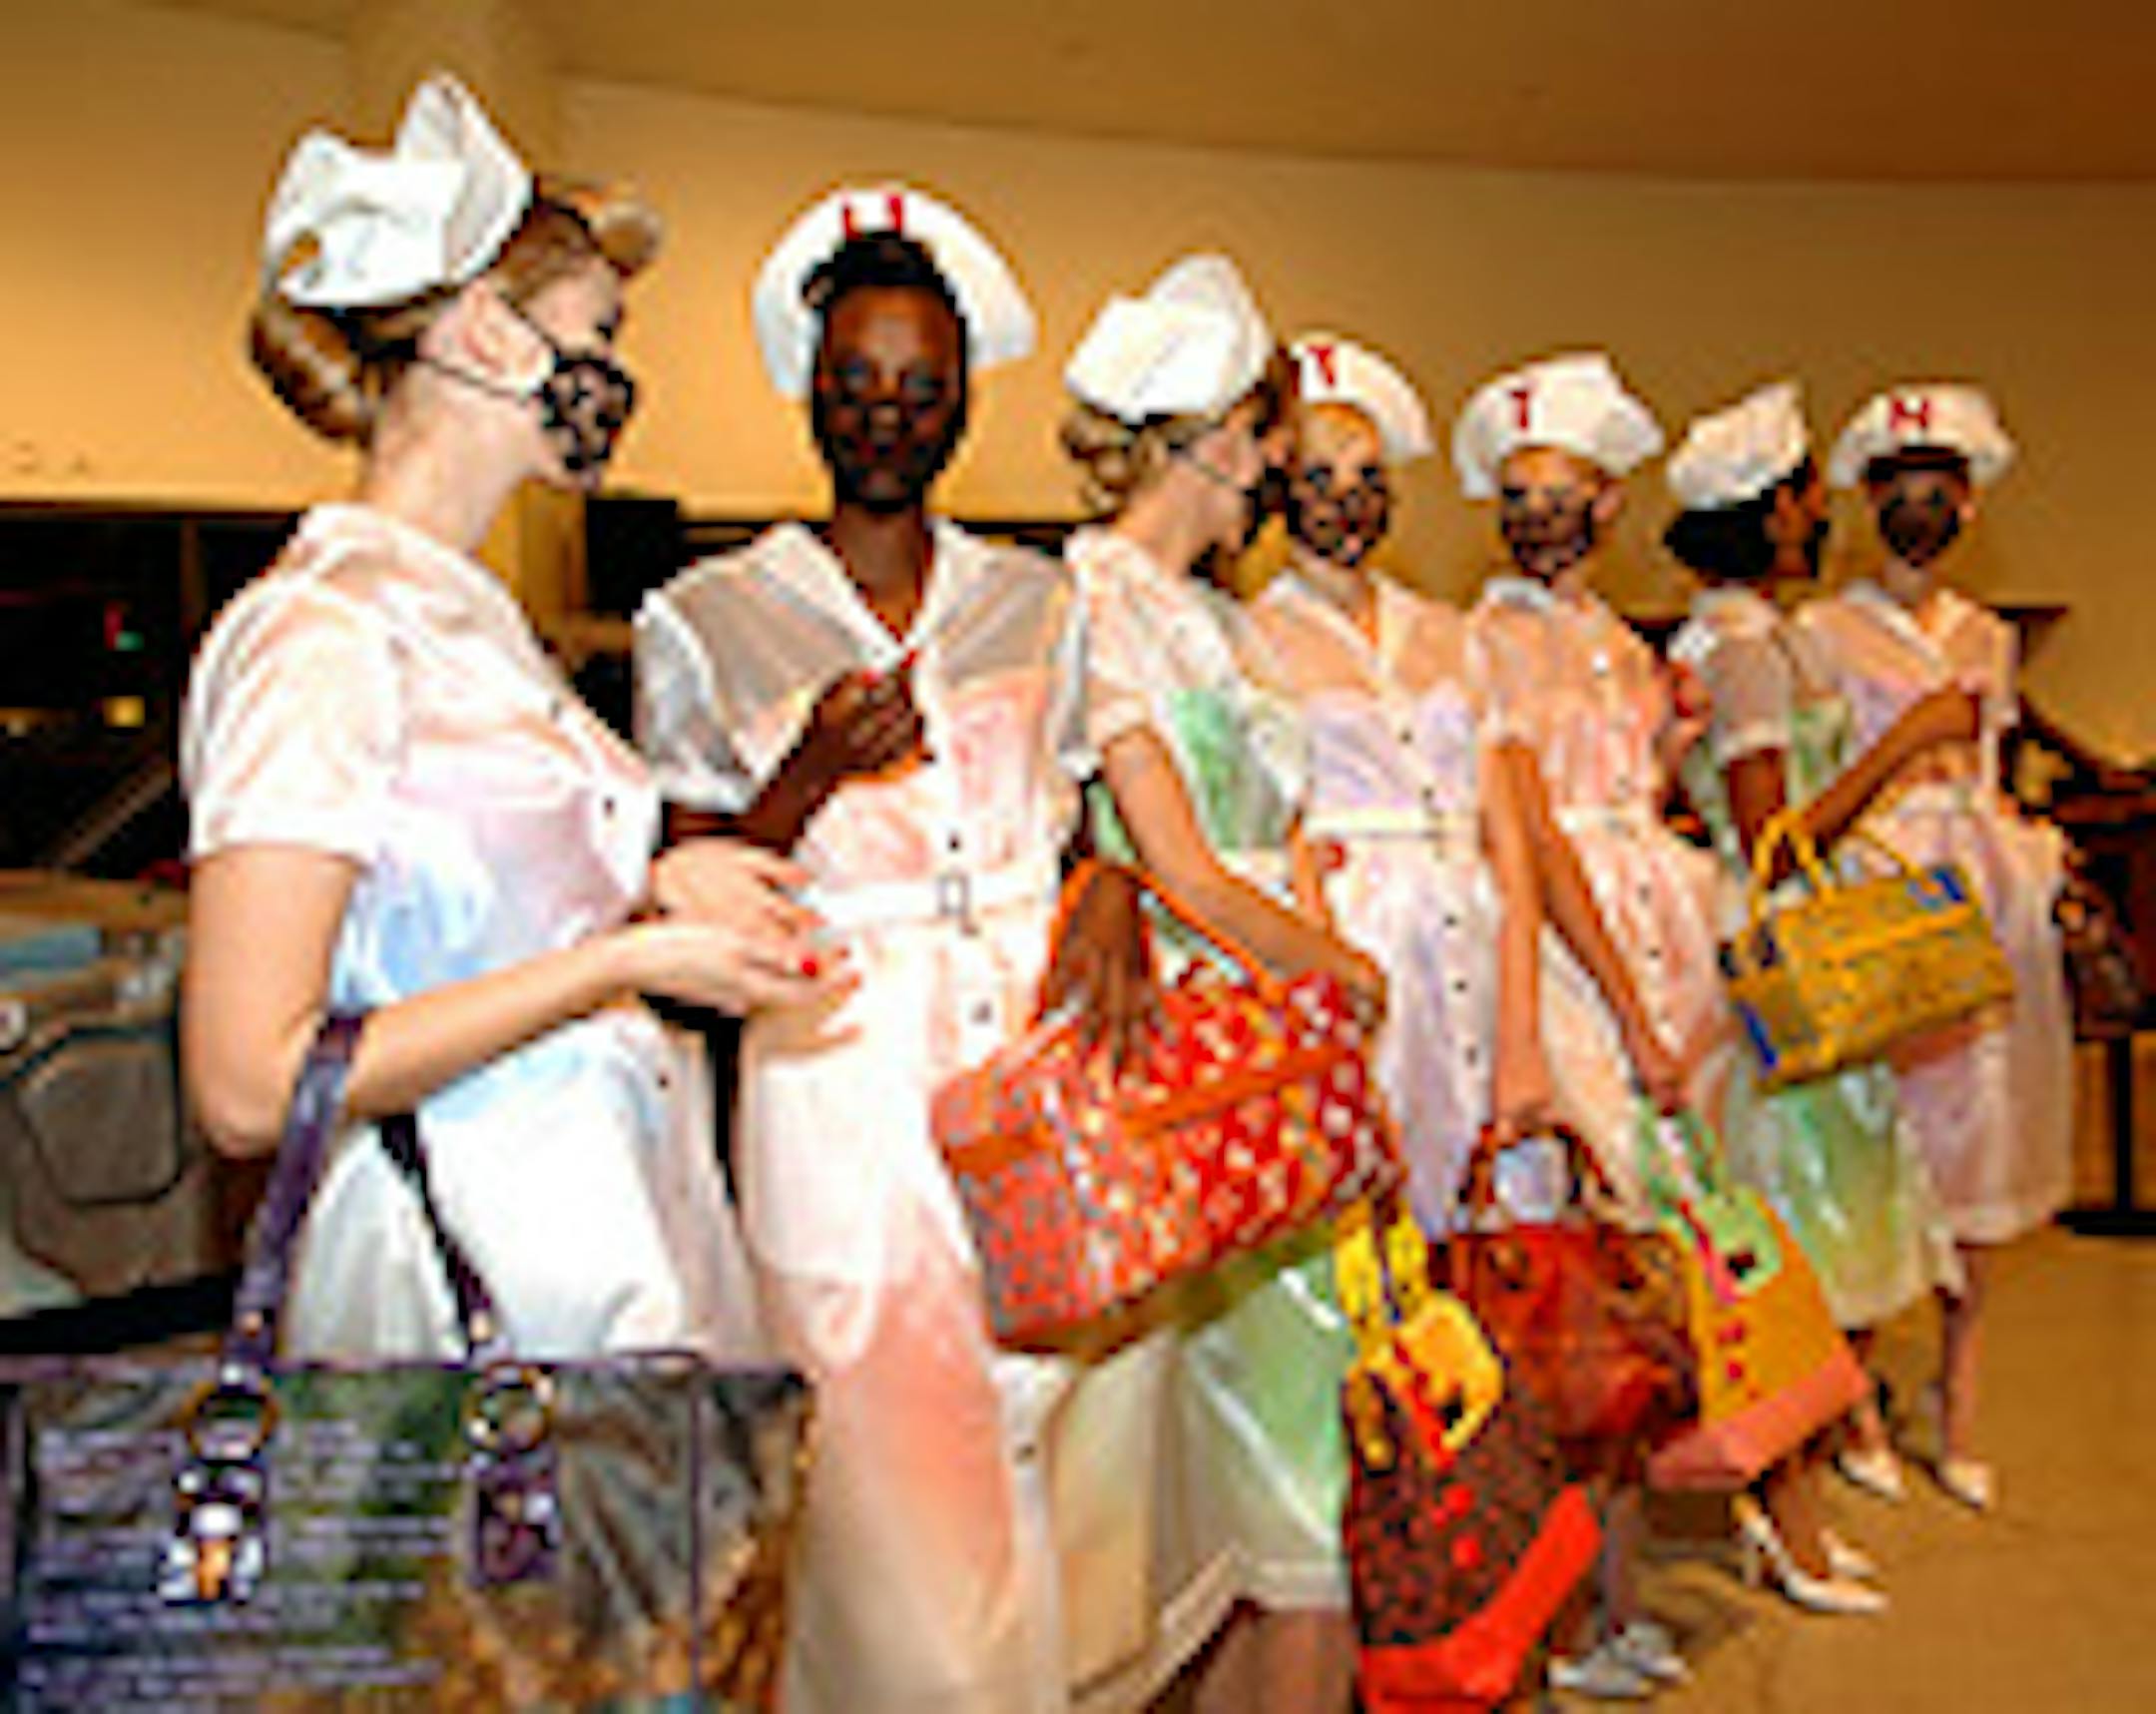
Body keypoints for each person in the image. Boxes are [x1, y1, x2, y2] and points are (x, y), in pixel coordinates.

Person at [181, 74, 832, 1364]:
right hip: (457, 1272)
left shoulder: (468, 617)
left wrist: (655, 885)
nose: (615, 372)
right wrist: (619, 966)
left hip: (597, 1237)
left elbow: (465, 920)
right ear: (488, 332)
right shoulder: (322, 633)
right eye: (600, 328)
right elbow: (250, 1081)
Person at [637, 184, 1161, 1714]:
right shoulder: (709, 615)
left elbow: (1088, 818)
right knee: (879, 1451)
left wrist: (1112, 885)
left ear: (961, 405)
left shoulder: (1038, 599)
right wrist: (801, 782)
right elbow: (675, 892)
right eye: (855, 382)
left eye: (921, 388)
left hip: (1029, 1066)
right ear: (809, 391)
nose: (886, 414)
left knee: (1053, 1427)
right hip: (835, 1069)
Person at [1060, 257, 1386, 1714]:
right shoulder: (1098, 598)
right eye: (1260, 438)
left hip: (1285, 1047)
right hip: (1201, 1056)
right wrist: (1344, 973)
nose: (1271, 468)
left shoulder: (1226, 620)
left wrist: (1328, 997)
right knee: (1252, 1460)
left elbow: (1282, 841)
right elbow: (1179, 866)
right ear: (1199, 441)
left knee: (1287, 1458)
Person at [1665, 379, 1969, 1612]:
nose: (1817, 514)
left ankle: (1786, 1493)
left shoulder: (1750, 633)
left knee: (1812, 1229)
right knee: (1785, 1237)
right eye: (1802, 495)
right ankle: (1779, 1503)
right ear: (1774, 513)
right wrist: (1904, 748)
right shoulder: (1740, 647)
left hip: (1806, 954)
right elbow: (1767, 835)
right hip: (1784, 961)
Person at [1451, 350, 1719, 1699]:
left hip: (1660, 956)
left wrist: (1670, 757)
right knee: (1561, 1298)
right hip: (1570, 976)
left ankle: (1609, 1597)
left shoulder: (1621, 640)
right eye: (1516, 494)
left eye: (1563, 493)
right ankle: (1551, 1620)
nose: (1539, 516)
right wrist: (1621, 1008)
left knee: (1638, 1303)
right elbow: (1540, 845)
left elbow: (1623, 811)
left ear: (1611, 503)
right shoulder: (1484, 641)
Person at [1795, 382, 2074, 1512]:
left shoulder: (1989, 637)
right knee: (1874, 1145)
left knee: (1978, 1140)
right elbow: (1815, 790)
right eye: (1898, 495)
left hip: (1979, 895)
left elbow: (1994, 774)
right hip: (1875, 890)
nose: (1920, 513)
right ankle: (1852, 1389)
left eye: (1940, 494)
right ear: (1868, 503)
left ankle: (1960, 1386)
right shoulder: (1821, 632)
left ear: (1968, 502)